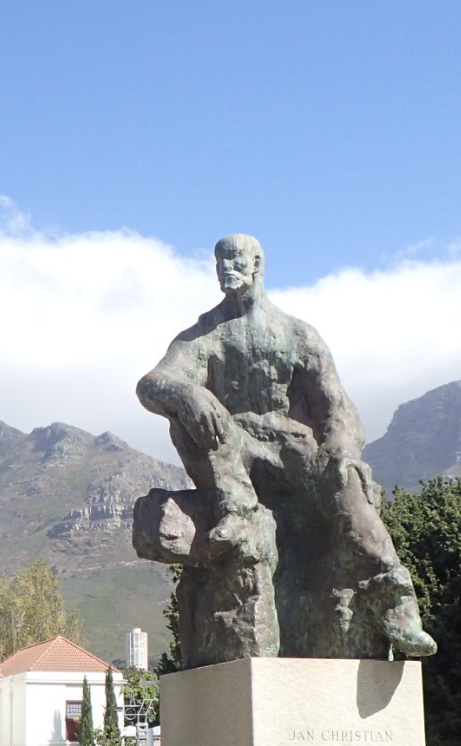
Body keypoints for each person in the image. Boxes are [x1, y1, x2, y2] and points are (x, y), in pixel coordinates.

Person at [136, 233, 435, 661]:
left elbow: (339, 410)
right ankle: (235, 512)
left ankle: (395, 599)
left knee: (344, 471)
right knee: (198, 419)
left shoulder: (297, 334)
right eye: (219, 261)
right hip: (234, 450)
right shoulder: (203, 335)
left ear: (258, 264)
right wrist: (189, 394)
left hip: (294, 450)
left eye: (235, 259)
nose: (226, 268)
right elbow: (152, 383)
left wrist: (342, 450)